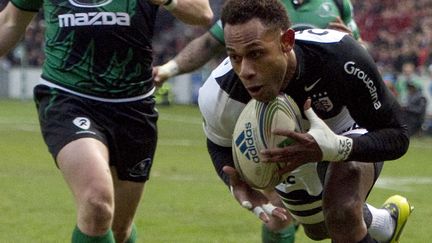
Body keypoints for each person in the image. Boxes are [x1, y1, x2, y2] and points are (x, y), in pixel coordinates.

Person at [198, 0, 413, 242]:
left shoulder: (340, 57)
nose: (245, 70)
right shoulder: (218, 92)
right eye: (234, 57)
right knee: (319, 229)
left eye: (256, 53)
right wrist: (234, 183)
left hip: (346, 129)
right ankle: (386, 223)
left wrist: (340, 147)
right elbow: (218, 144)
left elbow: (398, 135)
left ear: (286, 42)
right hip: (295, 149)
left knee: (341, 210)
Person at [0, 0, 212, 242]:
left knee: (119, 229)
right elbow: (10, 21)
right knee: (96, 201)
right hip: (68, 98)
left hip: (134, 108)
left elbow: (203, 13)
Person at [154, 0, 364, 86]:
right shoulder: (258, 2)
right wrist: (168, 70)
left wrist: (348, 43)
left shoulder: (338, 3)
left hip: (324, 97)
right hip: (269, 98)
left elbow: (359, 51)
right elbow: (210, 43)